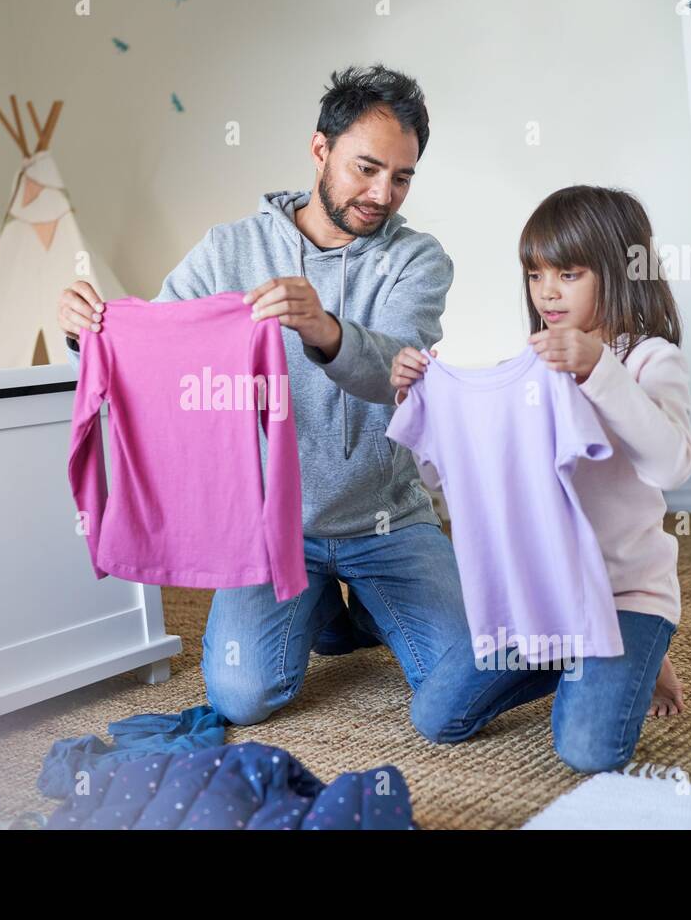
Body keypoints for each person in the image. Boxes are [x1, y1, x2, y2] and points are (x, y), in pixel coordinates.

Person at [57, 65, 465, 726]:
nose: (382, 193)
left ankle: (363, 604)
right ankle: (324, 608)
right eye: (366, 168)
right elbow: (159, 342)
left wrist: (325, 329)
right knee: (242, 698)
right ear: (319, 150)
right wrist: (89, 334)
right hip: (275, 525)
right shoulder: (230, 249)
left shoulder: (419, 259)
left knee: (464, 671)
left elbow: (396, 370)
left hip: (386, 518)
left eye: (401, 176)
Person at [390, 185, 691, 772]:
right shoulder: (532, 369)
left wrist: (598, 369)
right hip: (543, 590)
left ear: (621, 270)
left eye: (568, 273)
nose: (546, 291)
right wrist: (416, 401)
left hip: (625, 592)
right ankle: (578, 658)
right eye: (534, 274)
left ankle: (642, 647)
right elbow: (450, 473)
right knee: (435, 715)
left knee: (585, 748)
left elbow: (671, 463)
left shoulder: (651, 360)